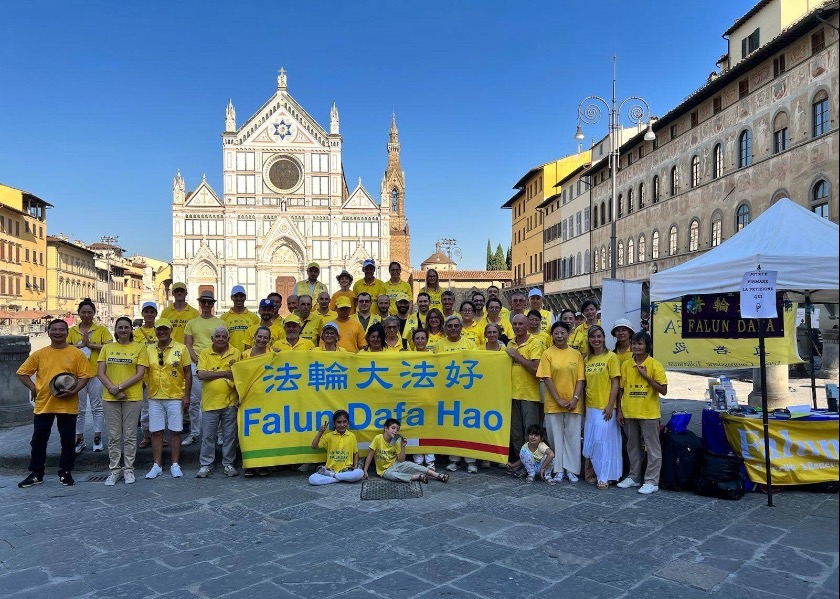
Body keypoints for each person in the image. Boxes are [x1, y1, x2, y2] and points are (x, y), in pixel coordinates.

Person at [16, 319, 93, 488]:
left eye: (62, 330)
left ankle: (66, 472)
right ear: (48, 332)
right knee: (38, 440)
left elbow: (85, 375)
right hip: (44, 403)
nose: (58, 332)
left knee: (67, 441)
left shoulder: (76, 353)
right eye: (54, 330)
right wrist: (33, 387)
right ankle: (36, 473)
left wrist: (74, 390)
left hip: (68, 403)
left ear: (67, 332)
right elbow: (22, 373)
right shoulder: (40, 354)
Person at [97, 317, 148, 485]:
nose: (123, 330)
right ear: (116, 329)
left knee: (130, 435)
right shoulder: (107, 347)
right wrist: (113, 389)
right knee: (113, 436)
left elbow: (140, 374)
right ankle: (114, 470)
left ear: (131, 330)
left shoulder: (140, 348)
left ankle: (128, 469)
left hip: (132, 397)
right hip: (110, 398)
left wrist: (118, 388)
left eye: (127, 327)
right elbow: (101, 372)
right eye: (120, 327)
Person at [617, 332, 668, 495]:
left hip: (649, 413)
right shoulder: (626, 365)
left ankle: (652, 481)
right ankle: (634, 477)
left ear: (647, 346)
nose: (636, 347)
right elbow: (621, 389)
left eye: (640, 344)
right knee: (632, 446)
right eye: (634, 343)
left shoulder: (655, 365)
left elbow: (664, 390)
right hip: (630, 411)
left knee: (652, 448)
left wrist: (646, 377)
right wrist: (620, 410)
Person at [537, 321, 585, 483]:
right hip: (553, 404)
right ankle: (558, 469)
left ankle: (571, 469)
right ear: (552, 335)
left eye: (562, 332)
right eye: (556, 333)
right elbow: (546, 377)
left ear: (568, 333)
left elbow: (580, 379)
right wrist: (558, 399)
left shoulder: (576, 354)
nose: (559, 336)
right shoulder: (547, 354)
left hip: (573, 404)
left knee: (572, 437)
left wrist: (575, 399)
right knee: (555, 437)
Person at [145, 318, 192, 479]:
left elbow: (187, 372)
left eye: (165, 329)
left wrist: (186, 395)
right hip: (154, 395)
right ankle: (157, 465)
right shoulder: (149, 349)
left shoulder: (181, 348)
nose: (162, 332)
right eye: (159, 329)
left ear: (170, 330)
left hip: (174, 395)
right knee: (156, 432)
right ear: (155, 331)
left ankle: (175, 463)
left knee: (175, 431)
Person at [195, 327, 241, 478]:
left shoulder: (236, 352)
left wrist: (213, 374)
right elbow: (201, 374)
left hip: (230, 401)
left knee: (230, 436)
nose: (221, 339)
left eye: (224, 337)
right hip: (210, 402)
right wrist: (224, 373)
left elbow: (239, 375)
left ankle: (228, 464)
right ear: (212, 338)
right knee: (208, 436)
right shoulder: (205, 353)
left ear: (228, 339)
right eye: (218, 336)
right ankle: (205, 465)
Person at [68, 298, 113, 455]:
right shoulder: (72, 331)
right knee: (79, 408)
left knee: (97, 406)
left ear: (94, 313)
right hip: (78, 374)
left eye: (89, 312)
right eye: (83, 312)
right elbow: (65, 347)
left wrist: (90, 345)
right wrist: (79, 346)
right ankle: (79, 438)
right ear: (79, 313)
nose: (86, 315)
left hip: (95, 373)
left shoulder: (101, 330)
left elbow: (110, 346)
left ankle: (97, 436)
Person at [582, 325, 622, 490]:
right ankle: (594, 472)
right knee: (592, 442)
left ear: (604, 337)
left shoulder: (611, 357)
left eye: (599, 336)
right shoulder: (587, 360)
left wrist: (610, 405)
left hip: (605, 407)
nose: (596, 340)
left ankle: (604, 477)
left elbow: (616, 382)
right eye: (593, 337)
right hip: (590, 407)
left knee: (603, 443)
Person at [183, 291, 225, 447]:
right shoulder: (192, 323)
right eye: (204, 302)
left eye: (210, 303)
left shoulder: (220, 323)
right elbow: (188, 345)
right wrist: (198, 361)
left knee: (218, 399)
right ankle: (195, 433)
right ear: (200, 303)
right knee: (195, 402)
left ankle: (219, 434)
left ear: (213, 304)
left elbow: (223, 344)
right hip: (197, 363)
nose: (207, 305)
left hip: (216, 364)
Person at [505, 313, 544, 464]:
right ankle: (520, 463)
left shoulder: (534, 343)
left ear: (527, 326)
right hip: (512, 394)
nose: (517, 327)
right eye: (514, 324)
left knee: (531, 433)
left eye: (521, 324)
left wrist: (517, 356)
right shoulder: (510, 344)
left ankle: (531, 464)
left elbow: (536, 368)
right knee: (516, 433)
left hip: (529, 395)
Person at [363, 419, 448, 483]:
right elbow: (370, 454)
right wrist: (365, 470)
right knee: (392, 476)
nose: (395, 431)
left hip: (396, 464)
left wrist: (403, 446)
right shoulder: (378, 438)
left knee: (412, 465)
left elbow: (401, 460)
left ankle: (436, 475)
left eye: (397, 429)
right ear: (386, 428)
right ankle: (418, 477)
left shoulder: (396, 441)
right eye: (393, 428)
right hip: (384, 471)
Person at [308, 410, 365, 485]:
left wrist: (355, 467)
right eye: (339, 422)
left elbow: (355, 453)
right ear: (334, 424)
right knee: (312, 479)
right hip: (330, 470)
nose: (342, 425)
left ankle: (334, 478)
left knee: (359, 473)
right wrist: (320, 432)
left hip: (346, 470)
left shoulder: (352, 436)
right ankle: (339, 478)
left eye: (344, 422)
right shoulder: (329, 436)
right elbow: (314, 446)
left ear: (348, 422)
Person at [135, 301, 159, 450]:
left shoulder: (161, 329)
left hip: (159, 375)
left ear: (156, 314)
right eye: (147, 312)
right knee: (145, 408)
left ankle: (159, 435)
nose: (149, 314)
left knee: (159, 407)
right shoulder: (136, 333)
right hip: (143, 375)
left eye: (152, 312)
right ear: (142, 314)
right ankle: (147, 435)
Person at [221, 285, 259, 352]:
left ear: (245, 297)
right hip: (229, 355)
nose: (239, 298)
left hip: (249, 355)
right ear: (231, 297)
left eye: (241, 296)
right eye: (236, 296)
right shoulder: (224, 317)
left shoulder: (254, 317)